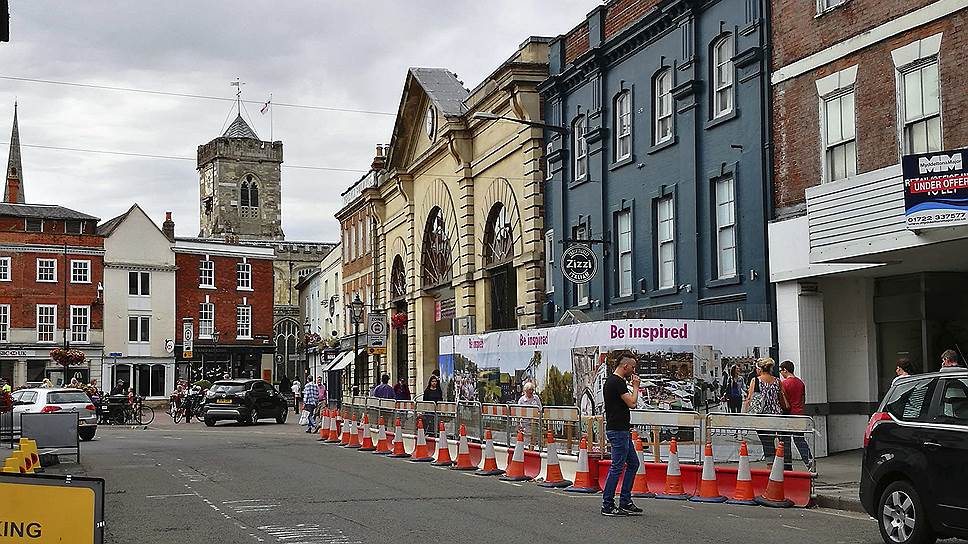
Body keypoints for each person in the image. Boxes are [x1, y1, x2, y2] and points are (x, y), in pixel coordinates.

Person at [601, 351, 642, 517]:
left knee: (633, 464)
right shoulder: (617, 382)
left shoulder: (614, 381)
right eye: (632, 367)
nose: (633, 370)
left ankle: (625, 501)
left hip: (621, 429)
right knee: (617, 467)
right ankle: (608, 505)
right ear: (625, 366)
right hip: (618, 430)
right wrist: (636, 386)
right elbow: (632, 403)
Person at [744, 358, 789, 466]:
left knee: (767, 443)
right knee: (781, 442)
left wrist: (746, 412)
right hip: (777, 416)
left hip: (762, 417)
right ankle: (783, 465)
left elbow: (750, 399)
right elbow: (782, 397)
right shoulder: (777, 381)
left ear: (759, 369)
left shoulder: (755, 381)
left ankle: (771, 467)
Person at [779, 360, 814, 471]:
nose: (780, 373)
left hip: (788, 415)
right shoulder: (800, 383)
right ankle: (809, 460)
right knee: (799, 439)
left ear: (785, 370)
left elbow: (783, 401)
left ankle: (787, 466)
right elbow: (803, 399)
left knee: (785, 441)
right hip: (799, 414)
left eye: (781, 370)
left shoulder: (784, 384)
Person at [517, 381, 542, 448]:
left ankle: (532, 449)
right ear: (526, 390)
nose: (531, 391)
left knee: (533, 438)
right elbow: (518, 412)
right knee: (526, 439)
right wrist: (518, 424)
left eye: (532, 389)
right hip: (525, 423)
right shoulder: (521, 400)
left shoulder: (536, 398)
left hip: (535, 422)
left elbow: (540, 408)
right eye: (530, 390)